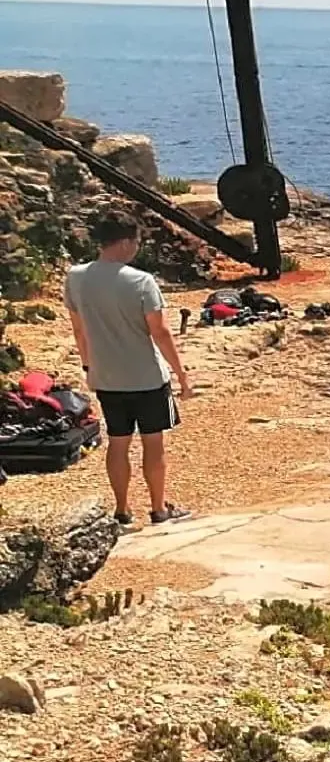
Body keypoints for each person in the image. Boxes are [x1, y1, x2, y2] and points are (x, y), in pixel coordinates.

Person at [63, 210, 195, 528]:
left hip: (106, 375)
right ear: (124, 243)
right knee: (153, 442)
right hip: (146, 376)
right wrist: (181, 375)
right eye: (135, 241)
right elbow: (160, 333)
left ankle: (122, 510)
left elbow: (79, 330)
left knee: (118, 441)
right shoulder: (141, 281)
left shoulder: (76, 277)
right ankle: (159, 508)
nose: (137, 247)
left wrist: (87, 365)